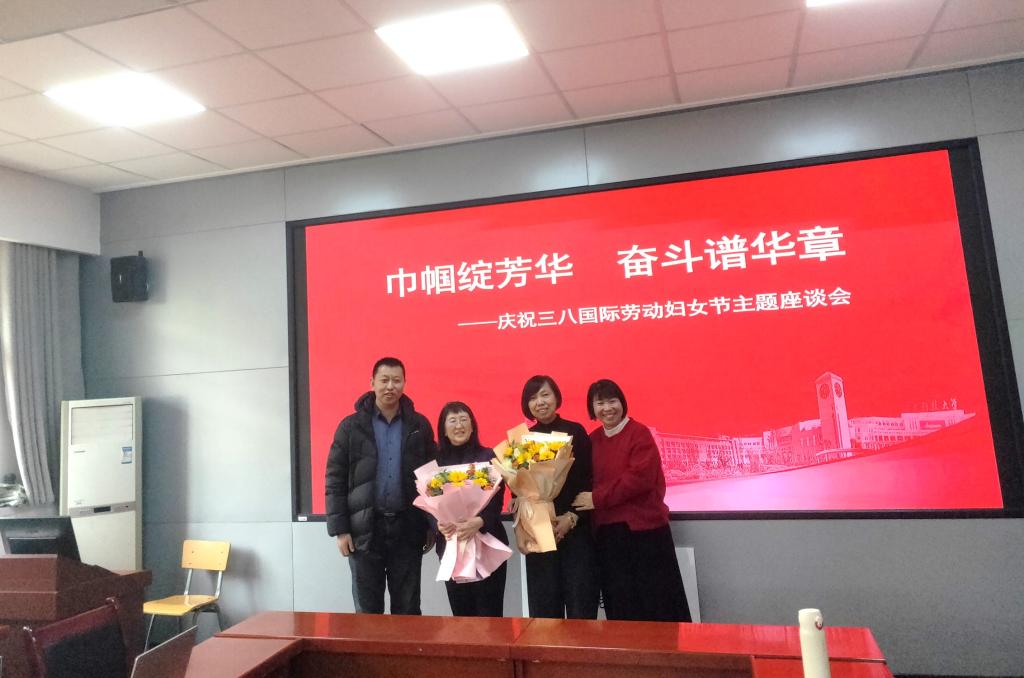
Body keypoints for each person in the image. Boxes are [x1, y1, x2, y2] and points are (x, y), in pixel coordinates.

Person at [325, 357, 437, 615]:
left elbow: (432, 478)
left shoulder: (419, 425)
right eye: (384, 380)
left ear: (404, 383)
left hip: (407, 528)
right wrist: (340, 530)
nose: (390, 386)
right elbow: (334, 479)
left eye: (396, 380)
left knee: (408, 609)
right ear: (372, 383)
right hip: (364, 529)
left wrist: (431, 524)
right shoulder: (350, 427)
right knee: (367, 610)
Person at [572, 378, 690, 622]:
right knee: (621, 607)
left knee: (658, 605)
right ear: (592, 408)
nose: (607, 408)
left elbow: (639, 479)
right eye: (600, 403)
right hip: (609, 537)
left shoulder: (639, 433)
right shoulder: (592, 440)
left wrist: (597, 498)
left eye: (612, 401)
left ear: (622, 403)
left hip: (645, 534)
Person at [520, 375, 599, 619]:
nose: (540, 402)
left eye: (545, 395)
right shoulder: (523, 440)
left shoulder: (575, 432)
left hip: (576, 532)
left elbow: (589, 480)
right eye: (533, 398)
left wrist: (571, 518)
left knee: (580, 609)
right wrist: (522, 526)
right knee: (545, 614)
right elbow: (519, 490)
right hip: (540, 533)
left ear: (556, 398)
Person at [434, 401, 509, 617]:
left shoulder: (488, 457)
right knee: (461, 617)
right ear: (444, 429)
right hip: (452, 546)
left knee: (491, 615)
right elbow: (427, 503)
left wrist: (480, 521)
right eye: (453, 420)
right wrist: (437, 523)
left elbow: (497, 498)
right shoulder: (435, 463)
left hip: (487, 542)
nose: (459, 425)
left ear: (472, 425)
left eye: (463, 419)